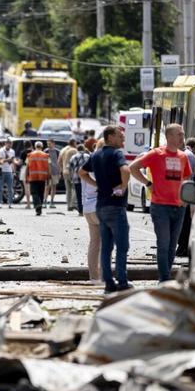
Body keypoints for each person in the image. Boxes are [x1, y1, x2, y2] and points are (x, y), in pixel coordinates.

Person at [130, 124, 194, 283]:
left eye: (183, 134)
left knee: (173, 245)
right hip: (160, 207)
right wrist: (148, 183)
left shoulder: (183, 156)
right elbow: (133, 168)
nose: (182, 138)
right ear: (169, 136)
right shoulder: (156, 154)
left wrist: (187, 201)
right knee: (163, 243)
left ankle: (165, 276)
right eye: (179, 134)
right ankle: (164, 278)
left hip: (179, 207)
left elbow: (187, 179)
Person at [80, 125, 132, 293]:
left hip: (100, 205)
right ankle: (122, 281)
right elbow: (126, 169)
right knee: (122, 245)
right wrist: (122, 188)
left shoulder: (95, 155)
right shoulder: (116, 154)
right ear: (110, 137)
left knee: (106, 246)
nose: (123, 138)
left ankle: (108, 282)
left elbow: (81, 172)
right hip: (116, 206)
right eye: (120, 136)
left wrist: (99, 186)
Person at [80, 141, 101, 282]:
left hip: (88, 207)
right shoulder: (101, 163)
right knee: (106, 244)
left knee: (94, 243)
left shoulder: (87, 164)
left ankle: (93, 277)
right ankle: (104, 277)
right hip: (99, 206)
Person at [26, 141, 50, 216]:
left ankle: (37, 206)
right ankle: (39, 207)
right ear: (42, 147)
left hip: (33, 177)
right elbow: (49, 167)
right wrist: (49, 177)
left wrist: (26, 176)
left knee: (34, 192)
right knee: (41, 193)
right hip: (42, 177)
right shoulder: (46, 155)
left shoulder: (30, 155)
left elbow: (27, 167)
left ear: (35, 146)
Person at [67, 140, 92, 214]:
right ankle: (87, 209)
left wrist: (71, 177)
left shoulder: (73, 157)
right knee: (86, 194)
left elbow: (70, 168)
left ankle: (80, 210)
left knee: (78, 195)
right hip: (86, 178)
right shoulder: (88, 156)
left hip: (76, 178)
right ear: (84, 149)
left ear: (77, 149)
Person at [60, 138, 78, 210]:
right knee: (75, 188)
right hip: (72, 172)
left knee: (68, 189)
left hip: (65, 171)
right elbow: (76, 161)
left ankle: (68, 206)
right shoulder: (74, 150)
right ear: (73, 143)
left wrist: (62, 169)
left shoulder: (63, 150)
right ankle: (72, 204)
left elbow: (59, 161)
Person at [0, 139, 16, 207]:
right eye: (8, 143)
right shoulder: (1, 150)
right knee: (0, 188)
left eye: (10, 144)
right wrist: (8, 159)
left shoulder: (12, 151)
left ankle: (10, 203)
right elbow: (0, 161)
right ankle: (0, 202)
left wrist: (14, 171)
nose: (9, 145)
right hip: (2, 170)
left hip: (9, 171)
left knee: (10, 188)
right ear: (5, 143)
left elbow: (13, 161)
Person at [44, 139, 62, 208]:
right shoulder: (45, 151)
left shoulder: (57, 152)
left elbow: (59, 163)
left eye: (49, 143)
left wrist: (60, 172)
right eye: (47, 144)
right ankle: (45, 201)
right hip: (47, 172)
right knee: (47, 187)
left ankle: (51, 201)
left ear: (53, 144)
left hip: (55, 171)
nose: (48, 145)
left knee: (54, 187)